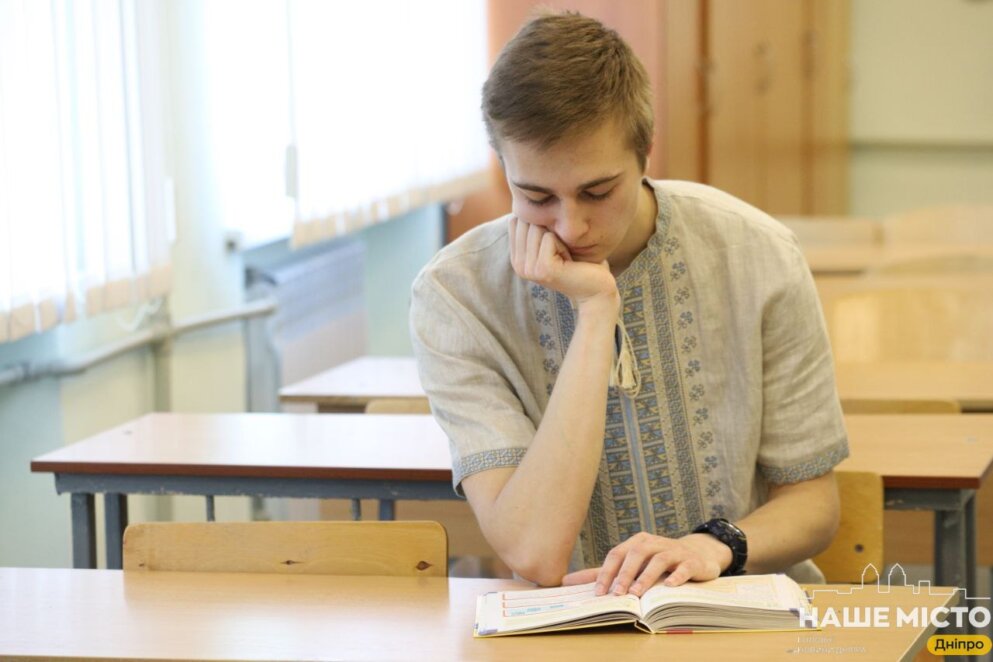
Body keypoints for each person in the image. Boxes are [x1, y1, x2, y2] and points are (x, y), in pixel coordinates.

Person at [409, 10, 847, 596]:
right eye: (535, 196)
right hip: (567, 620)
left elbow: (814, 502)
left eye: (597, 191)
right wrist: (595, 314)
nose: (571, 226)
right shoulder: (456, 295)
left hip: (740, 606)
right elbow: (535, 552)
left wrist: (710, 547)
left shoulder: (757, 253)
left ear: (645, 154)